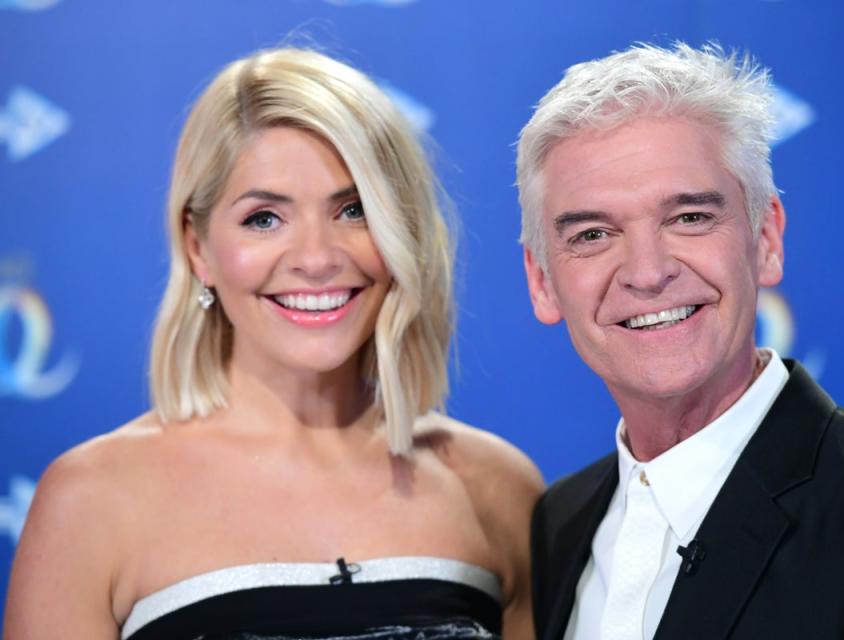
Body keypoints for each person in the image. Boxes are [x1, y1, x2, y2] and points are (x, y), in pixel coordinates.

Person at [5, 47, 543, 640]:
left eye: (354, 210)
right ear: (197, 247)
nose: (316, 259)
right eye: (265, 218)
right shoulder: (91, 500)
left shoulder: (496, 485)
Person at [516, 42, 844, 640]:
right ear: (543, 282)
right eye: (593, 233)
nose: (647, 272)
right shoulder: (558, 523)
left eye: (690, 218)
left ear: (766, 239)